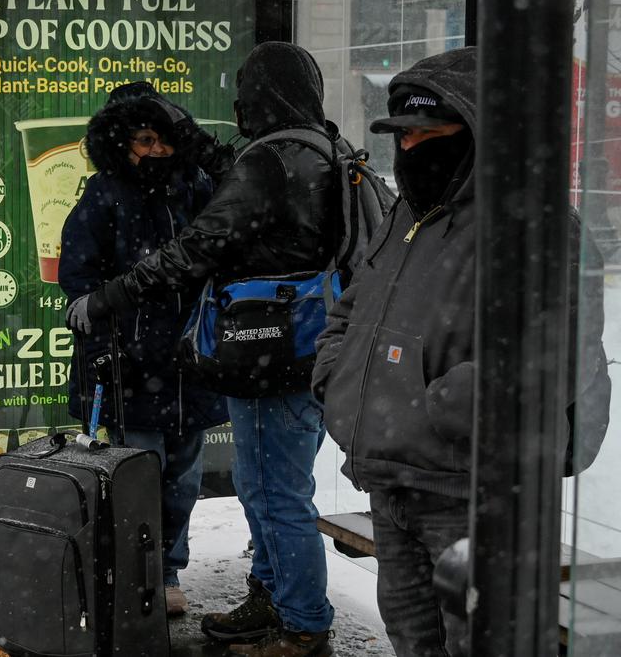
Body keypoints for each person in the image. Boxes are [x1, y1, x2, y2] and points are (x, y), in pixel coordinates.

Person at [312, 46, 611, 657]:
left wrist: (437, 409)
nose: (413, 148)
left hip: (471, 497)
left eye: (430, 133)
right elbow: (353, 309)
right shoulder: (409, 215)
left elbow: (554, 357)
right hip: (392, 485)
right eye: (404, 135)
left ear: (479, 135)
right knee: (413, 641)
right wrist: (335, 373)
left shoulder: (534, 225)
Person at [68, 42, 341, 656]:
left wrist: (114, 295)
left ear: (260, 94)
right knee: (263, 487)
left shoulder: (273, 158)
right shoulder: (320, 148)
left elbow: (200, 244)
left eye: (246, 88)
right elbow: (241, 186)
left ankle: (300, 623)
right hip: (290, 346)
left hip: (266, 351)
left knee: (274, 494)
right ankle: (272, 599)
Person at [59, 82, 230, 617]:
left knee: (183, 479)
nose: (157, 151)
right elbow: (77, 278)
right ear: (120, 142)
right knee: (139, 475)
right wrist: (120, 311)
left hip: (191, 364)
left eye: (165, 139)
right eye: (145, 139)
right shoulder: (102, 195)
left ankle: (169, 570)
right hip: (132, 366)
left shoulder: (198, 186)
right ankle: (140, 573)